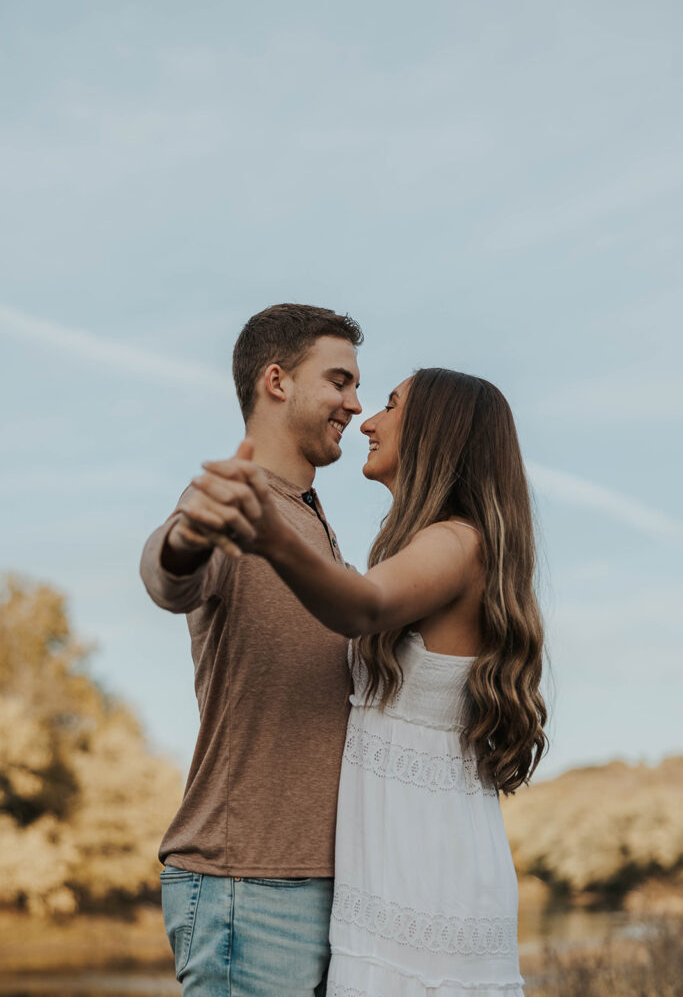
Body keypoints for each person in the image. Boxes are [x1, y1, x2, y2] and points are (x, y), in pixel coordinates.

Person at [199, 368, 548, 997]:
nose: (367, 420)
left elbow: (360, 607)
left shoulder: (457, 541)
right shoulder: (436, 544)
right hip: (395, 870)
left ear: (437, 434)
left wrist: (270, 530)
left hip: (423, 877)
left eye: (389, 405)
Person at [139, 303, 363, 996]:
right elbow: (170, 574)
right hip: (248, 889)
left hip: (317, 886)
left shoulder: (310, 520)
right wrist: (187, 537)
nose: (354, 404)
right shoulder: (234, 501)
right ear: (277, 381)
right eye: (339, 381)